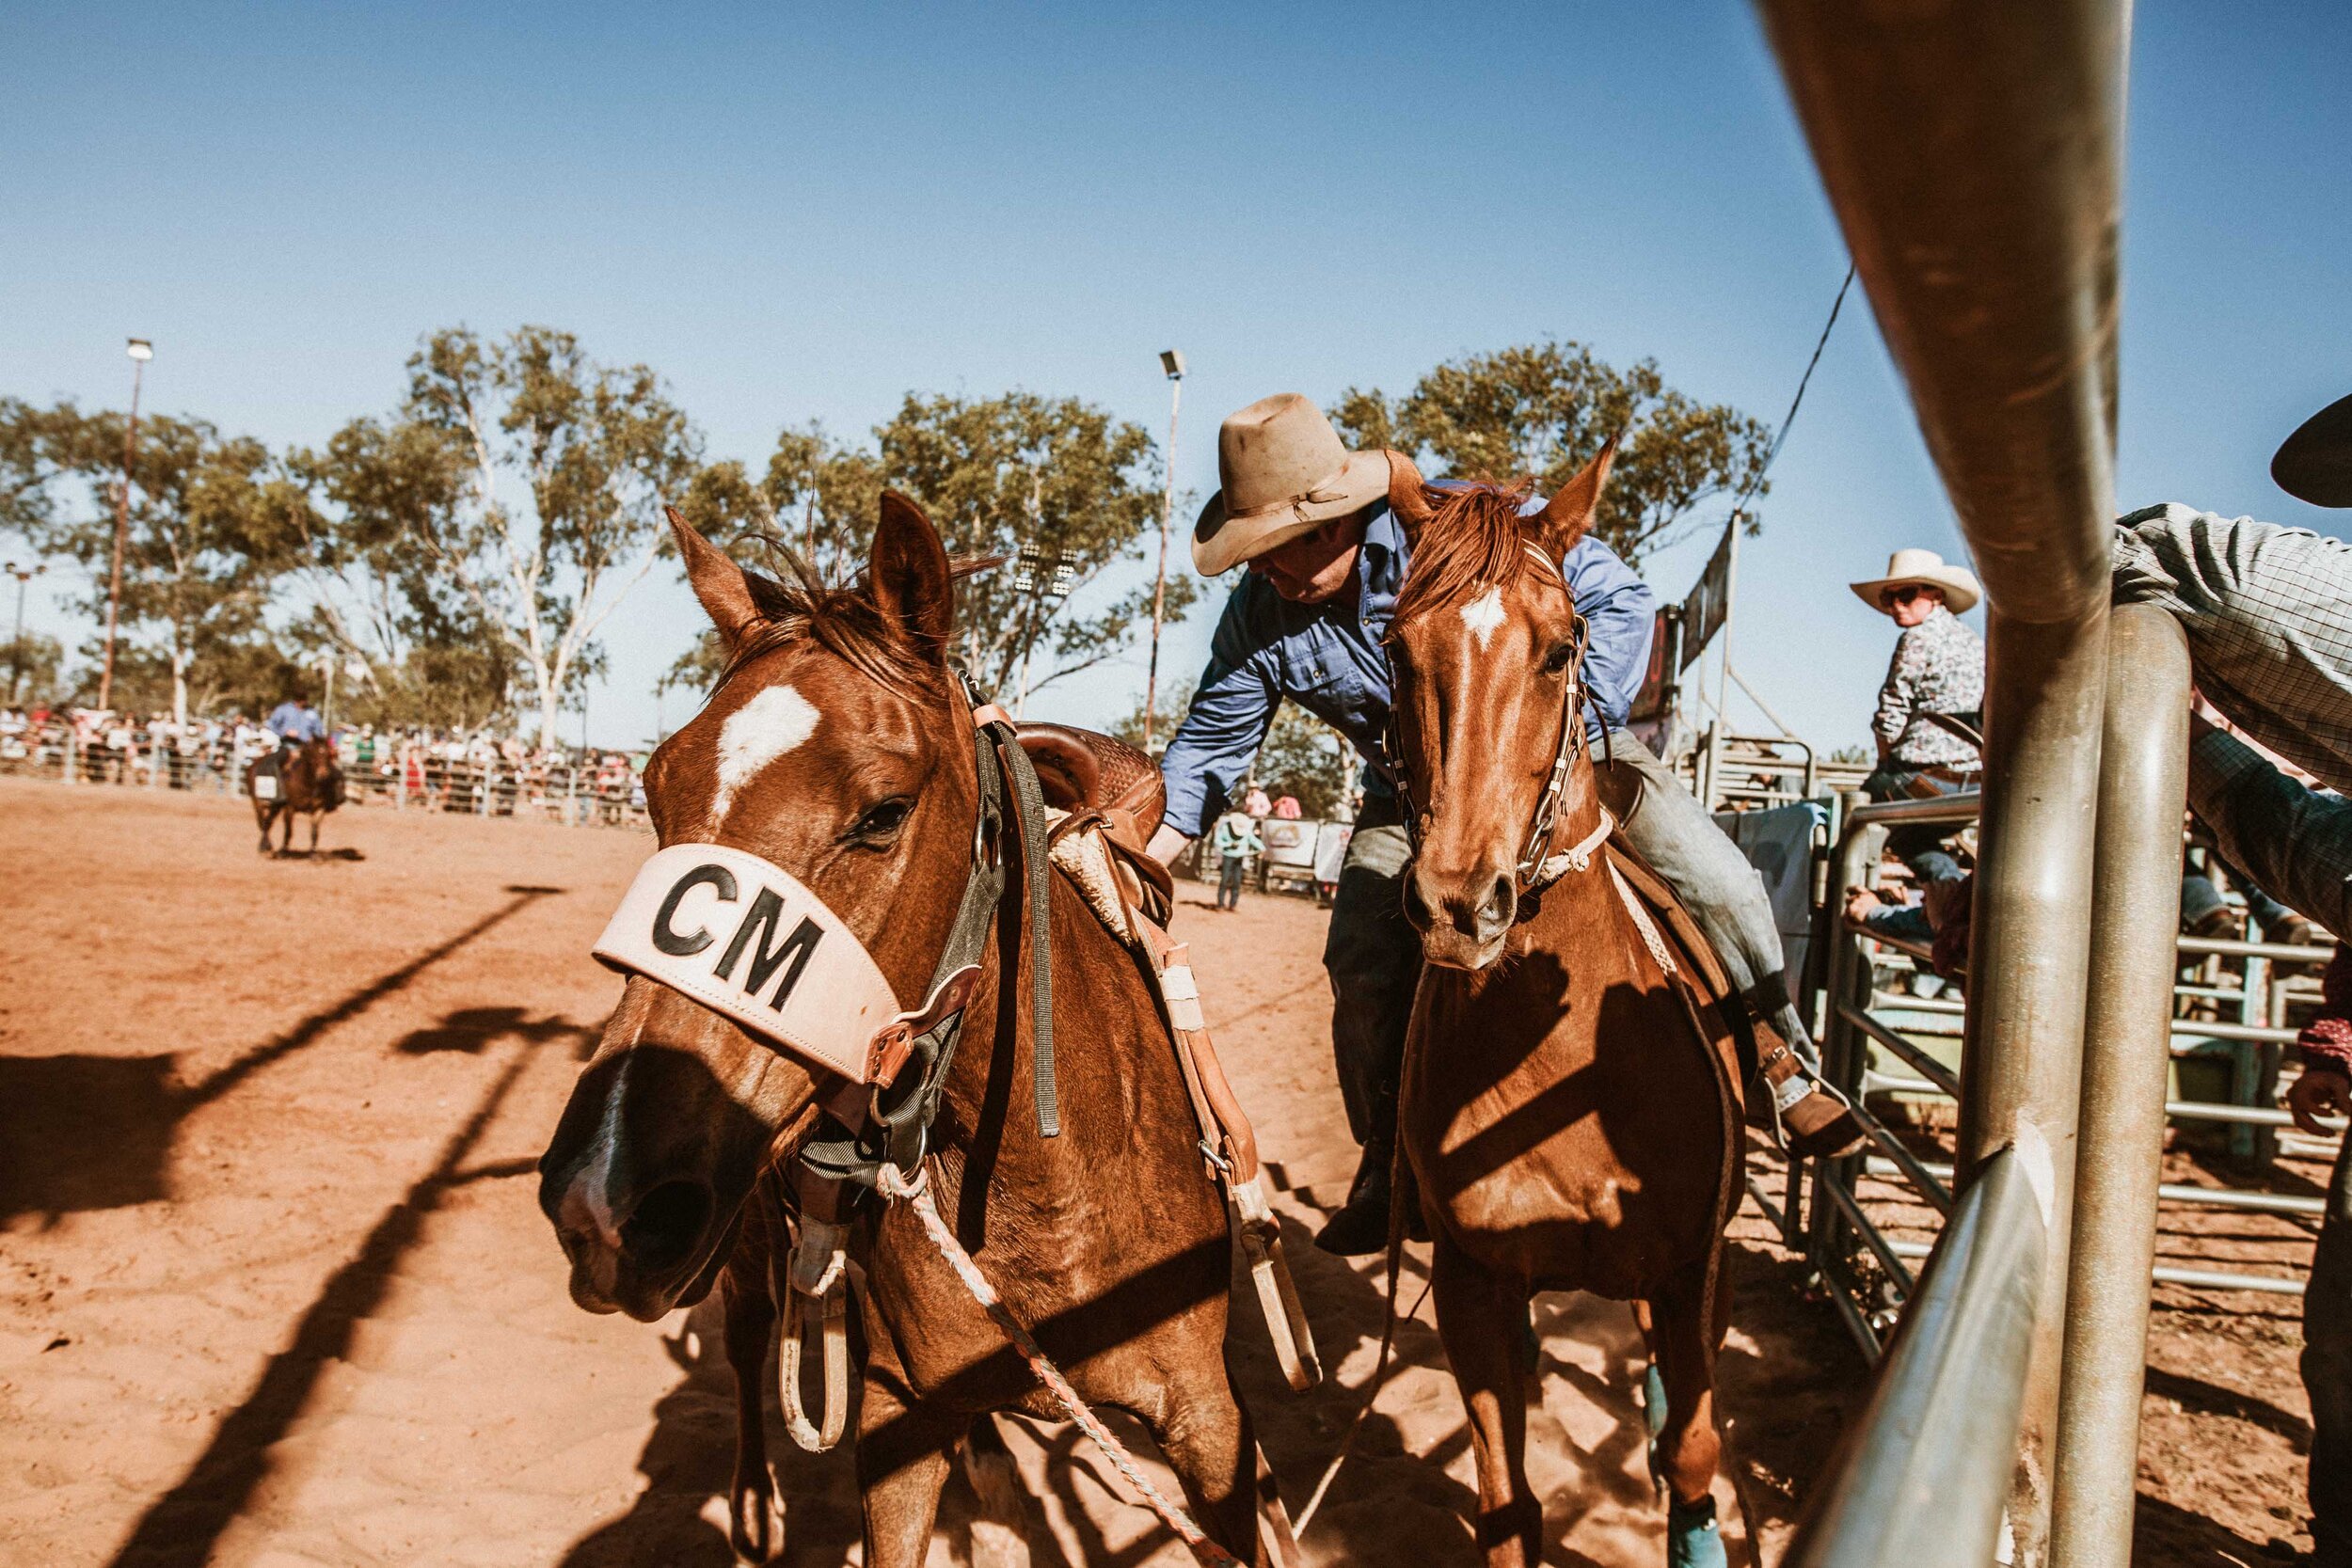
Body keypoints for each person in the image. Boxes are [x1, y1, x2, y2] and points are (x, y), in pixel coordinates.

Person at [1145, 392, 1862, 1255]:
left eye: (1268, 550)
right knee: (1362, 957)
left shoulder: (1462, 526)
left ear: (1332, 523)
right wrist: (1139, 865)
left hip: (1567, 753)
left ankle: (1782, 1060)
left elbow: (1622, 601)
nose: (1259, 571)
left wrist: (1559, 735)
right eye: (1248, 554)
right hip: (1410, 790)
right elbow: (1205, 758)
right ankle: (1389, 1151)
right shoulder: (1264, 616)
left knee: (1719, 876)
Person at [1852, 547, 1985, 891]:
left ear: (1935, 596)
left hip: (1927, 776)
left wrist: (1885, 762)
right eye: (1889, 597)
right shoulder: (1973, 642)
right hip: (1974, 780)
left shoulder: (1916, 638)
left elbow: (1889, 719)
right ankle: (1954, 898)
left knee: (1854, 814)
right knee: (1909, 838)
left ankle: (1833, 903)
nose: (1896, 604)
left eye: (1906, 594)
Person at [1211, 808, 1261, 911]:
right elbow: (1218, 841)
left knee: (1237, 881)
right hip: (1228, 856)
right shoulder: (1225, 828)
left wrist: (1262, 849)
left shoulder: (1246, 830)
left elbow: (1253, 840)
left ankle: (1232, 905)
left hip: (1239, 857)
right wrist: (1229, 844)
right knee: (1224, 880)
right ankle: (1220, 904)